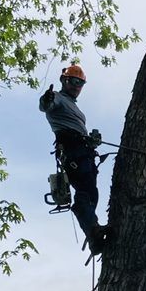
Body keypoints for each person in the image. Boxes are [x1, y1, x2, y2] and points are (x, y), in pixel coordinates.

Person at [39, 64, 108, 254]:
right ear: (64, 81)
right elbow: (45, 106)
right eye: (73, 81)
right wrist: (46, 99)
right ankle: (92, 231)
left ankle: (93, 232)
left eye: (80, 83)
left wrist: (92, 142)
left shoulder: (74, 107)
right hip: (73, 150)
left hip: (83, 151)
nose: (77, 86)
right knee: (86, 190)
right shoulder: (58, 99)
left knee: (91, 192)